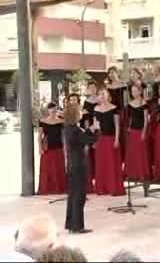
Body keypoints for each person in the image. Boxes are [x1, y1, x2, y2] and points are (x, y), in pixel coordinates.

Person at [63, 104, 97, 234]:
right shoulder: (76, 130)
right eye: (79, 111)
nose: (81, 112)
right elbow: (89, 140)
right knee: (79, 196)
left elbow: (82, 137)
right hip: (78, 165)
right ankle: (78, 226)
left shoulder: (68, 128)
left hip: (72, 164)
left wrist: (89, 130)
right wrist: (96, 130)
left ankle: (71, 225)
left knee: (72, 195)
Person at [94, 88, 125, 196]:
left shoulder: (114, 108)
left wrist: (117, 139)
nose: (101, 95)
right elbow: (96, 126)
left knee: (112, 163)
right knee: (102, 163)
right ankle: (102, 187)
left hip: (112, 138)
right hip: (101, 139)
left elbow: (117, 125)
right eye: (100, 94)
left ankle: (113, 187)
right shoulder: (96, 108)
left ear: (108, 95)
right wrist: (95, 140)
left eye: (103, 93)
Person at [124, 83, 151, 184]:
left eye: (136, 91)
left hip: (141, 130)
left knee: (141, 153)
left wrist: (144, 131)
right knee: (132, 153)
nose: (134, 93)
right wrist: (129, 128)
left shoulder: (144, 103)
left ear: (140, 91)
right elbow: (130, 118)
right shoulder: (130, 104)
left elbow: (146, 120)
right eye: (132, 91)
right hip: (133, 131)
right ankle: (132, 173)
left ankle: (142, 173)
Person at [38, 102, 66, 195]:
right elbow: (39, 135)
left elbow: (66, 133)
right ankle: (47, 188)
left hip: (59, 146)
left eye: (54, 108)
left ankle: (59, 188)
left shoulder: (61, 121)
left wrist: (63, 115)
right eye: (51, 108)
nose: (53, 110)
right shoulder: (42, 121)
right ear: (48, 110)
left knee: (59, 167)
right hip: (47, 147)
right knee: (47, 169)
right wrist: (40, 148)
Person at [81, 81, 98, 194]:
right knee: (89, 154)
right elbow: (85, 117)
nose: (92, 89)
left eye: (93, 87)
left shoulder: (100, 99)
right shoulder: (86, 102)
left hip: (98, 127)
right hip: (90, 128)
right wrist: (88, 130)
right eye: (90, 87)